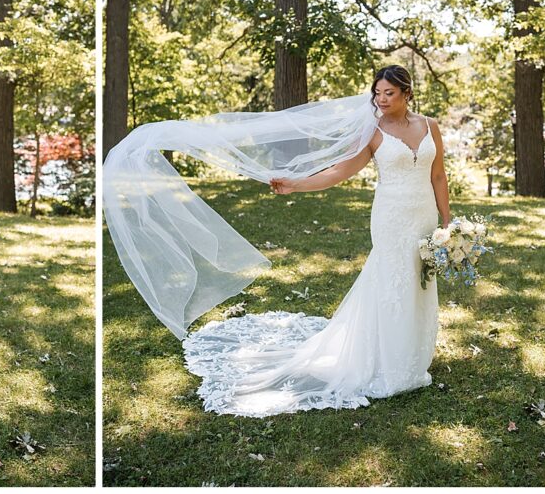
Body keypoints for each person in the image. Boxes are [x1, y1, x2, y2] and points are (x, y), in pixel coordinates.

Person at [103, 64, 452, 416]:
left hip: (423, 216)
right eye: (376, 93)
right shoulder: (373, 130)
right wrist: (296, 183)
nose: (380, 99)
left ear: (406, 92)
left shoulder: (429, 127)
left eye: (388, 93)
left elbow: (438, 175)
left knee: (420, 282)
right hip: (390, 217)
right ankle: (389, 362)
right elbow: (339, 171)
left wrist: (447, 224)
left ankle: (412, 357)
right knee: (392, 281)